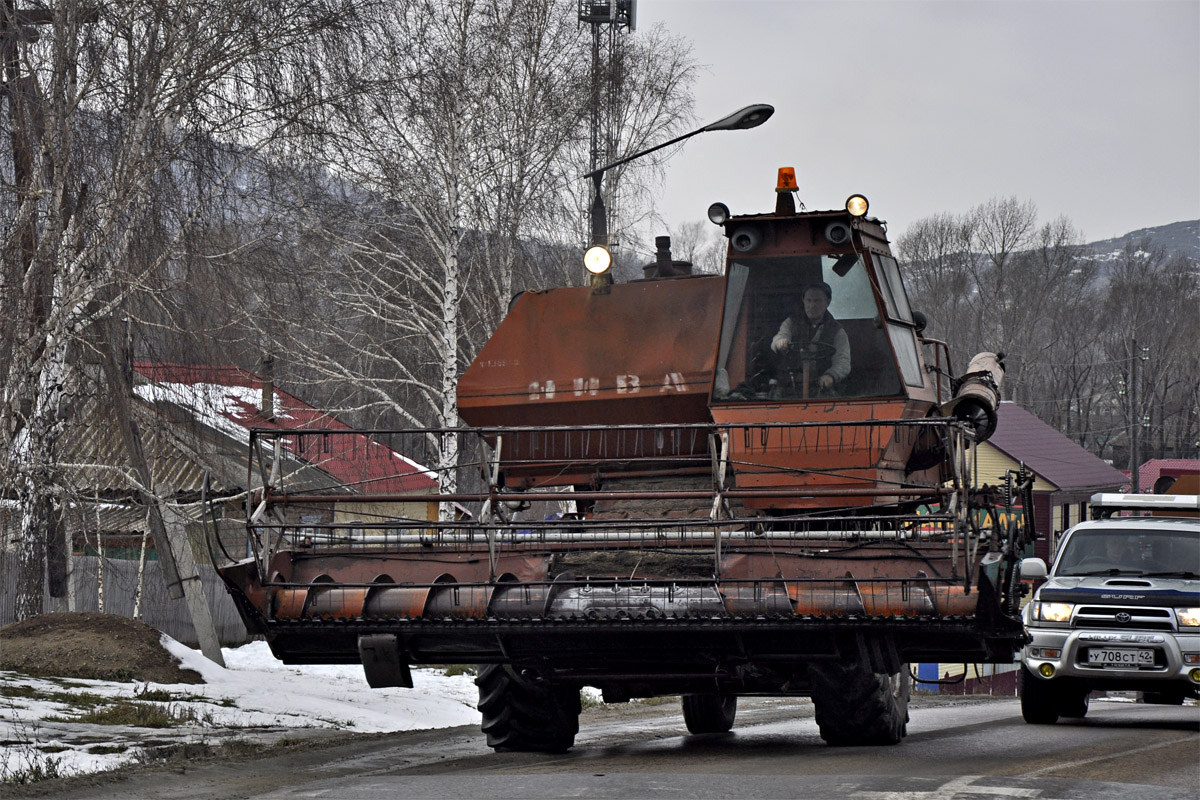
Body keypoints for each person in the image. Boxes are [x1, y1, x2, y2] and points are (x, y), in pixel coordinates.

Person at [769, 282, 851, 395]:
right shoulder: (791, 322)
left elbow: (843, 362)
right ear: (803, 301)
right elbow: (780, 336)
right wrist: (781, 342)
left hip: (821, 388)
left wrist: (830, 376)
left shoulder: (837, 331)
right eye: (809, 300)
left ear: (827, 302)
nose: (812, 305)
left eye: (817, 301)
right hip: (789, 387)